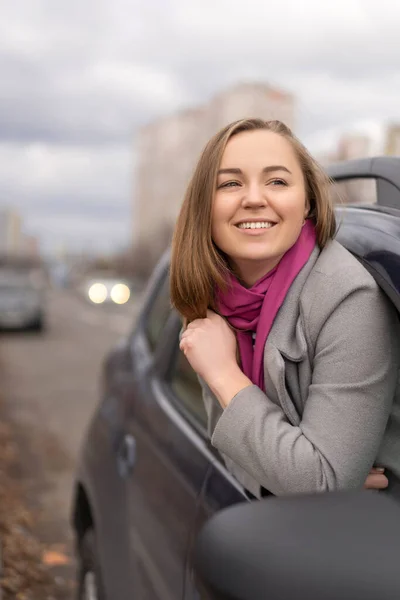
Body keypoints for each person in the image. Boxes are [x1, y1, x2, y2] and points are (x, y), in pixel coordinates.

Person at [170, 118, 400, 499]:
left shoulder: (349, 297)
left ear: (307, 200)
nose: (255, 198)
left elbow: (323, 483)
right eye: (230, 183)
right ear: (204, 207)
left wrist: (225, 374)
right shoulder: (212, 298)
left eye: (277, 181)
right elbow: (231, 452)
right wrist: (296, 475)